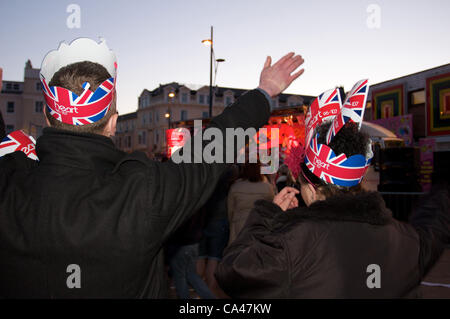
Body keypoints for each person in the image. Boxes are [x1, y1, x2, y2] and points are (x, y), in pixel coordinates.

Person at [0, 37, 305, 298]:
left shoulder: (8, 183)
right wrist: (263, 92)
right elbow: (209, 149)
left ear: (47, 118)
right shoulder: (142, 192)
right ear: (114, 123)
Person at [216, 80, 450, 298]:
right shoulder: (406, 240)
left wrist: (267, 216)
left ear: (311, 188)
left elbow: (231, 272)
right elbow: (434, 224)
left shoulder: (292, 244)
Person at [197, 166, 238, 298]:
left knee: (201, 256)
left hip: (201, 218)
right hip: (219, 219)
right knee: (214, 258)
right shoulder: (224, 172)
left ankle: (200, 289)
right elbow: (235, 171)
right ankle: (209, 291)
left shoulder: (201, 172)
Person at [165, 209, 215, 299]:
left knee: (180, 276)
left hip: (180, 243)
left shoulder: (183, 205)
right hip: (194, 242)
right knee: (191, 274)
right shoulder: (197, 202)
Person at [227, 161, 275, 245]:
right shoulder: (267, 187)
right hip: (259, 224)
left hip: (238, 224)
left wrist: (232, 221)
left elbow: (230, 209)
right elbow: (272, 207)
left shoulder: (236, 187)